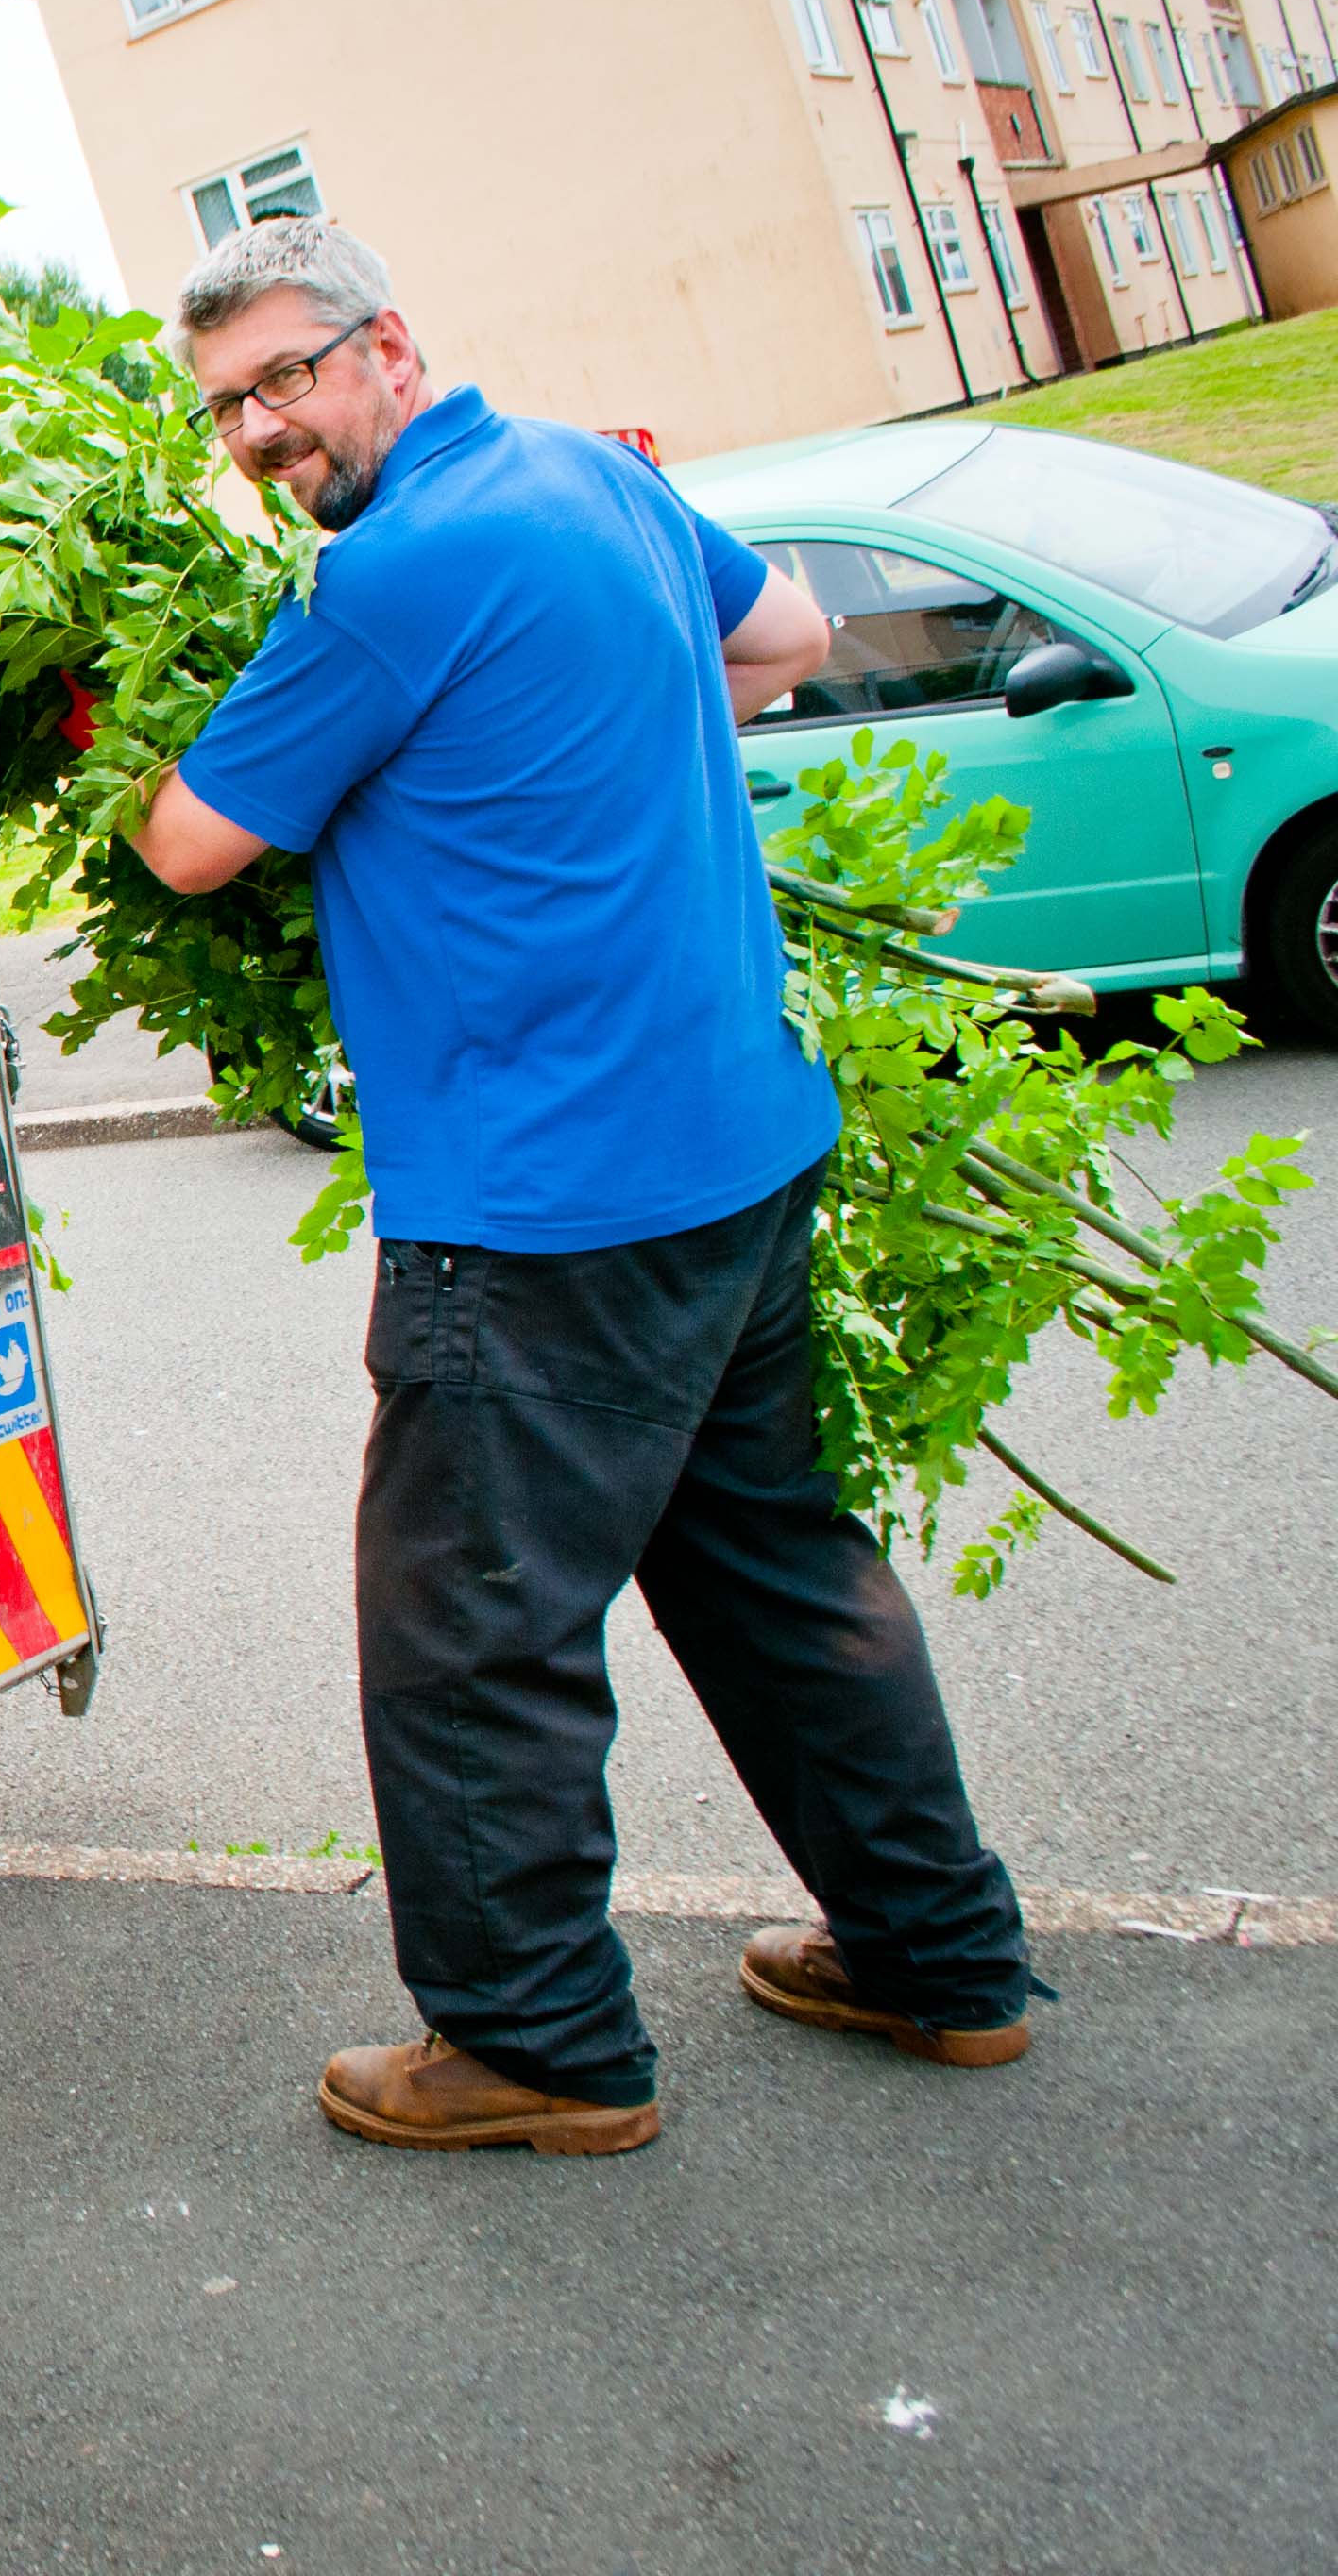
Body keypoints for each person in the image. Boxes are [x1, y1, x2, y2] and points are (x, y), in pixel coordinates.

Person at [124, 220, 1046, 2157]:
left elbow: (187, 845)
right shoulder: (595, 480)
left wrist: (127, 740)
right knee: (782, 1577)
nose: (257, 432)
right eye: (223, 407)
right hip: (731, 1151)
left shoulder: (385, 579)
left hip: (540, 1211)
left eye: (284, 380)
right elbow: (781, 636)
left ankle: (534, 2039)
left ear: (387, 341)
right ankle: (932, 1953)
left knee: (470, 1633)